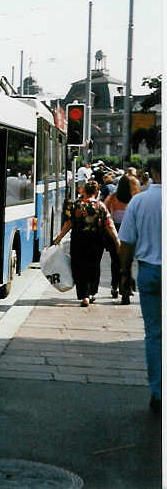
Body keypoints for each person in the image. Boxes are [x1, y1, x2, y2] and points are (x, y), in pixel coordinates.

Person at [118, 157, 161, 413]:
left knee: (154, 334)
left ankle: (158, 392)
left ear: (152, 172)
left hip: (150, 271)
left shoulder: (140, 201)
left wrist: (124, 273)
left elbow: (127, 243)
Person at [52, 180, 120, 307]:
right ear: (96, 191)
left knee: (79, 267)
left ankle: (84, 295)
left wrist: (60, 237)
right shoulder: (100, 206)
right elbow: (109, 224)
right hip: (96, 241)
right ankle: (91, 293)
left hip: (78, 240)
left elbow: (69, 223)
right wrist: (117, 240)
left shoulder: (76, 205)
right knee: (94, 266)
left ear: (85, 190)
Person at [103, 175, 141, 300]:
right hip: (129, 231)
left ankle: (115, 286)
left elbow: (105, 211)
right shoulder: (134, 198)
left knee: (115, 261)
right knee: (127, 261)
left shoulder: (113, 197)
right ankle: (126, 286)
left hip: (115, 231)